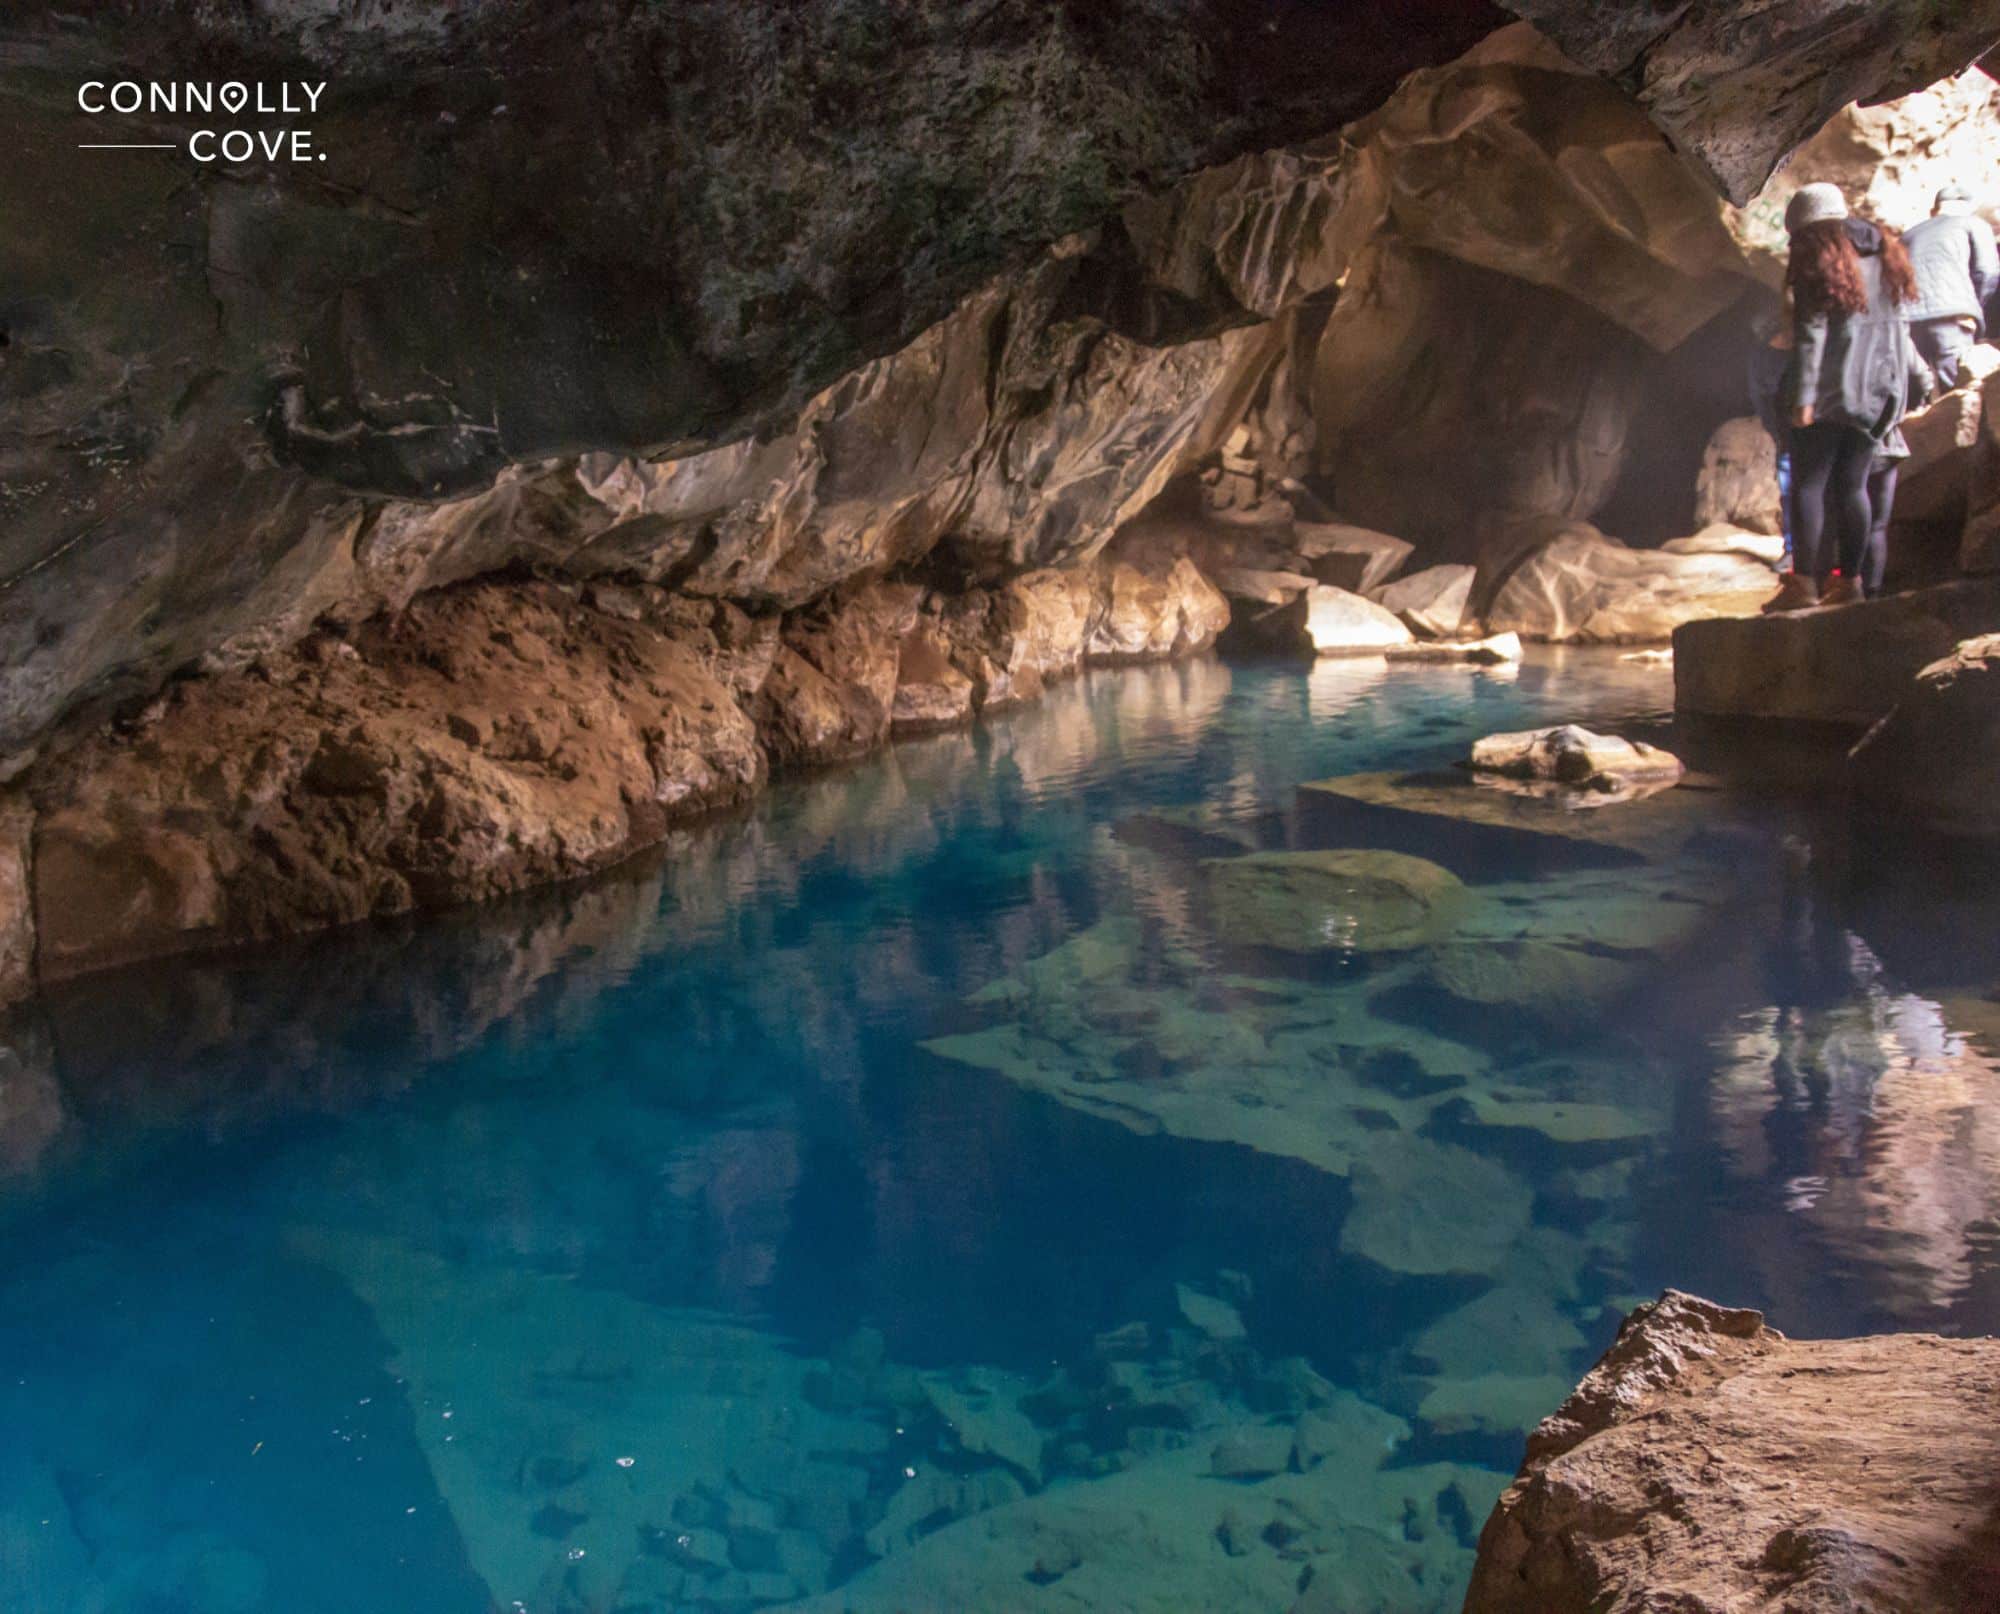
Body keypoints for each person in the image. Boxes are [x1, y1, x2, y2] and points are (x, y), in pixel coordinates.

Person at [1764, 185, 1922, 612]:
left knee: (1808, 486)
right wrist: (1905, 392)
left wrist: (1803, 398)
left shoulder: (1819, 259)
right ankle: (1850, 583)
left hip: (1832, 394)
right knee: (1853, 488)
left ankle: (1805, 585)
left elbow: (1811, 334)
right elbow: (1899, 332)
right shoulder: (1887, 255)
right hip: (1878, 396)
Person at [1902, 182, 1998, 389]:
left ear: (1933, 211)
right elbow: (1987, 272)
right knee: (1960, 387)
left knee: (1918, 387)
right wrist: (1973, 309)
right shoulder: (1974, 224)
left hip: (1908, 319)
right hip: (1952, 317)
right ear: (1970, 209)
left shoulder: (1907, 235)